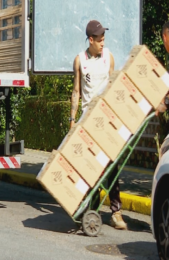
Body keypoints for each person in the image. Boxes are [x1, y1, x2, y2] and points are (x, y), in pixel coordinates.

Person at [69, 20, 128, 230]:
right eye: (100, 40)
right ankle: (89, 208)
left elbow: (113, 88)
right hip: (87, 121)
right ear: (91, 40)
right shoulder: (80, 60)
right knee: (90, 168)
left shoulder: (108, 58)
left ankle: (116, 211)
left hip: (106, 120)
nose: (103, 43)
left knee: (112, 164)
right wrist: (72, 119)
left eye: (105, 40)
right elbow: (76, 91)